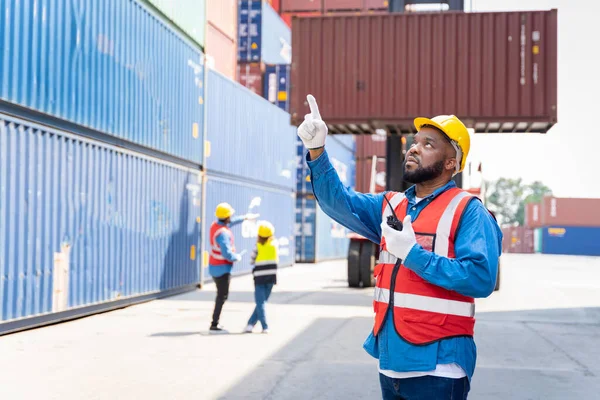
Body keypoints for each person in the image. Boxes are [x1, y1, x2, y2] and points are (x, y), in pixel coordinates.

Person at [297, 95, 502, 399]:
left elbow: (481, 278)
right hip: (391, 363)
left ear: (450, 163)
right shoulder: (391, 205)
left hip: (439, 367)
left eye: (429, 145)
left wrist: (413, 255)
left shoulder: (469, 211)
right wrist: (318, 150)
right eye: (415, 141)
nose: (414, 148)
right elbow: (338, 203)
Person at [208, 202, 258, 333]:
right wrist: (236, 257)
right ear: (226, 217)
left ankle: (215, 322)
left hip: (213, 266)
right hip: (222, 269)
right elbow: (227, 253)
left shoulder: (216, 226)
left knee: (220, 295)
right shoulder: (223, 234)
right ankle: (214, 323)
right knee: (222, 296)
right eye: (230, 215)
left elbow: (232, 222)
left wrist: (245, 217)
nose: (231, 217)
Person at [243, 221, 279, 334]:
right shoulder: (274, 244)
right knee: (262, 302)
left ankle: (264, 326)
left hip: (259, 278)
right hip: (271, 278)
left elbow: (251, 260)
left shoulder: (257, 246)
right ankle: (250, 324)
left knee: (260, 302)